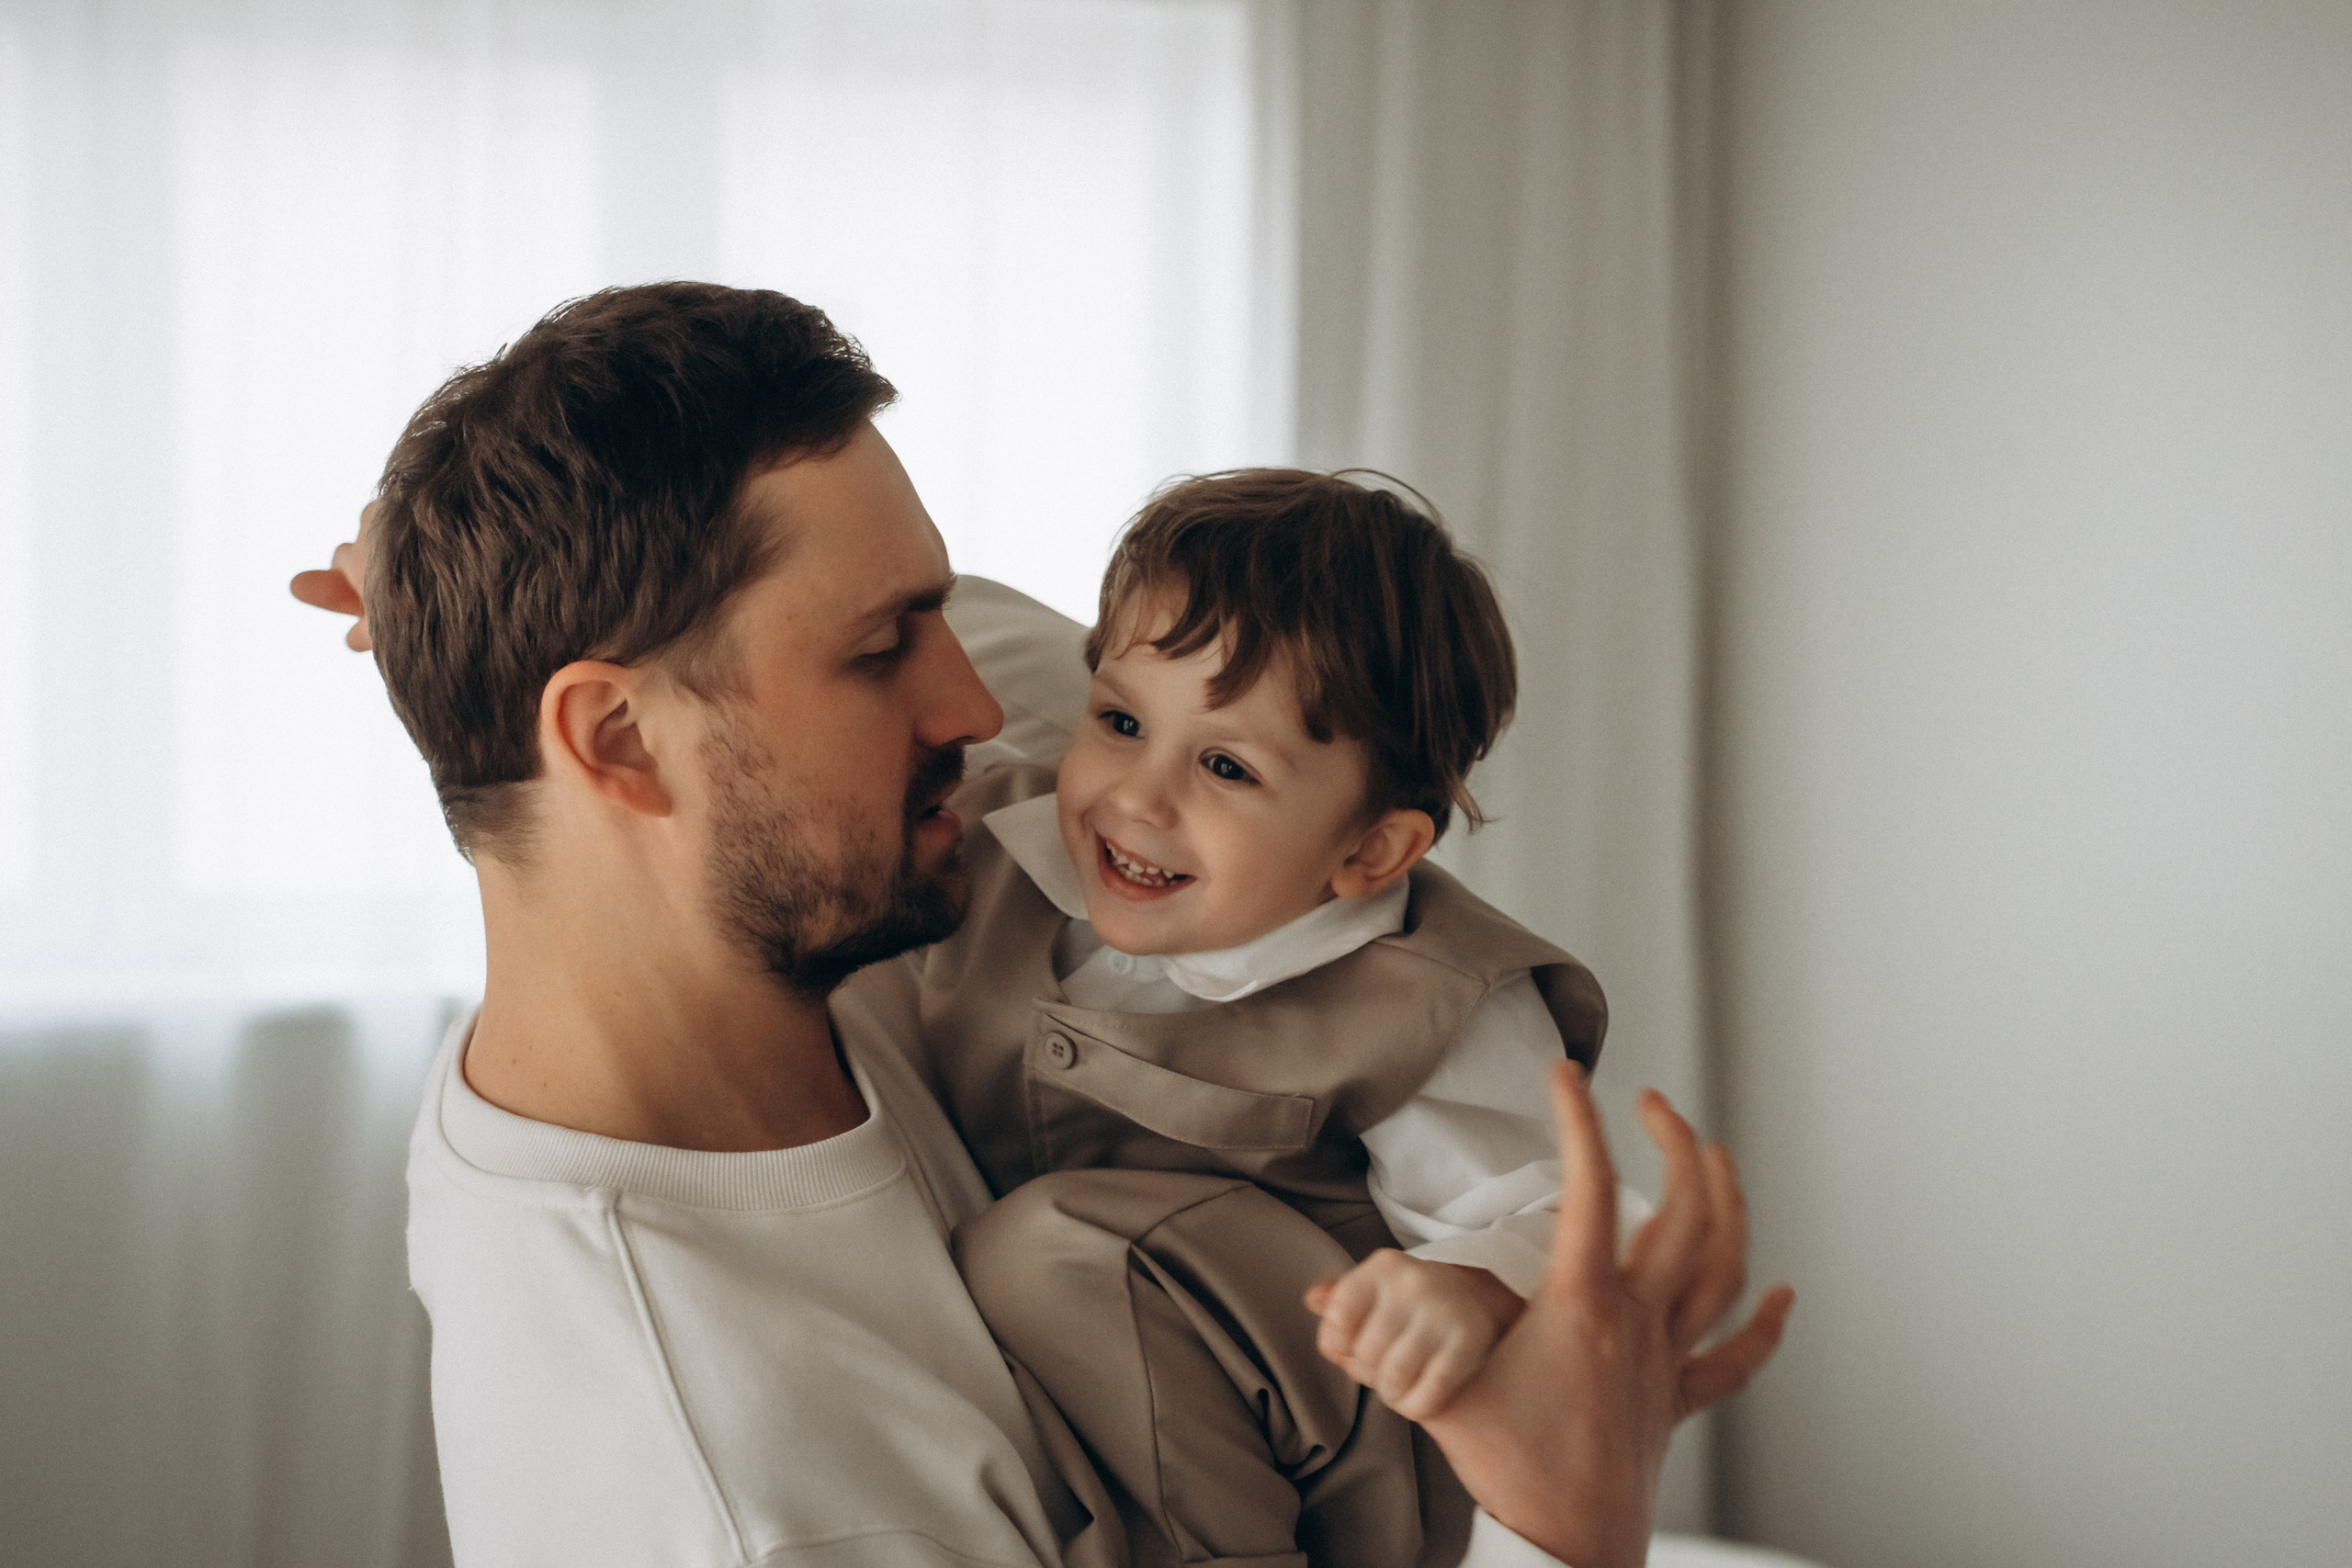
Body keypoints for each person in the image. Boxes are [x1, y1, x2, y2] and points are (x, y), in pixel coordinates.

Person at [292, 281, 1792, 1568]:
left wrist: (438, 584)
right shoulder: (769, 1500)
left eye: (938, 613)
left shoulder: (754, 885)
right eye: (887, 648)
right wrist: (1568, 1519)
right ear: (616, 742)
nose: (981, 705)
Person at [901, 469, 1634, 1567]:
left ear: (1367, 851)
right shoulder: (984, 844)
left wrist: (1465, 1291)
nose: (1137, 798)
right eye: (1118, 720)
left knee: (1050, 1250)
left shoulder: (1428, 998)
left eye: (1228, 767)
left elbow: (1555, 1221)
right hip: (1110, 1415)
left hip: (1354, 1463)